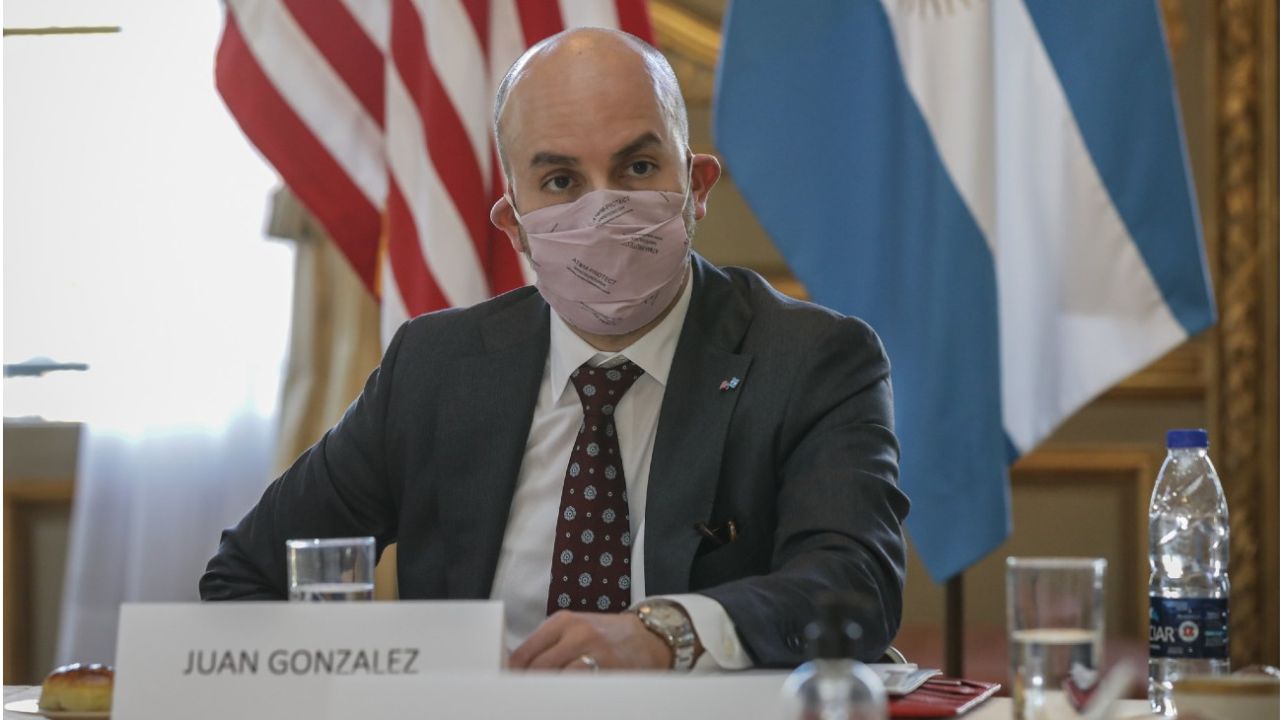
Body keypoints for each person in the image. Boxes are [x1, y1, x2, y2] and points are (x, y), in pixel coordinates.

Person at [201, 27, 909, 673]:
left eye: (637, 167)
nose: (603, 209)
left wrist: (668, 634)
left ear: (695, 187)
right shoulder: (434, 367)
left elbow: (855, 588)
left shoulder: (813, 360)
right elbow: (247, 575)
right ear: (514, 225)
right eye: (562, 181)